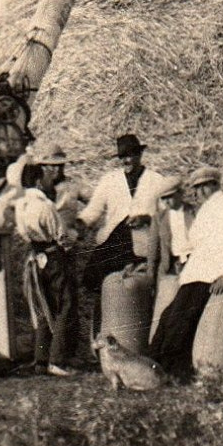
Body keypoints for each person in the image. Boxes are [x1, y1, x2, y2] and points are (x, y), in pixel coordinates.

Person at [147, 165, 223, 379]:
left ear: (215, 185)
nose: (199, 192)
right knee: (168, 317)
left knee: (179, 322)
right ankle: (151, 366)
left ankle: (172, 373)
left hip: (206, 276)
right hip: (194, 274)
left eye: (204, 186)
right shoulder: (209, 208)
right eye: (196, 188)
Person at [78, 134, 171, 337]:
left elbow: (167, 214)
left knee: (138, 293)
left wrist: (147, 219)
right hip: (113, 245)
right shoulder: (109, 181)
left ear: (140, 154)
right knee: (105, 291)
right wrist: (78, 225)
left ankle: (136, 340)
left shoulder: (156, 181)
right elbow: (92, 212)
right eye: (122, 157)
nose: (126, 161)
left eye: (130, 155)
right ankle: (100, 339)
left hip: (143, 247)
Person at [11, 162, 81, 376]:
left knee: (43, 307)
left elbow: (23, 235)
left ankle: (40, 360)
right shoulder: (45, 205)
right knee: (65, 305)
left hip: (34, 257)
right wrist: (74, 240)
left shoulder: (20, 205)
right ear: (39, 181)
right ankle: (57, 359)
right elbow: (61, 235)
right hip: (53, 257)